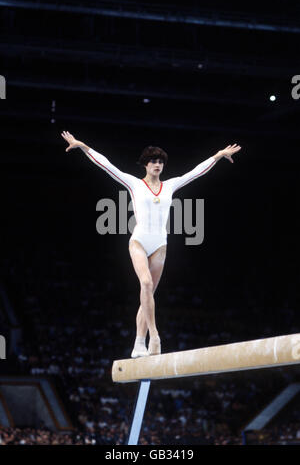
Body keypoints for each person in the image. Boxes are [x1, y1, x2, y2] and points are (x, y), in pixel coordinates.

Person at [61, 131, 242, 358]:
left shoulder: (170, 186)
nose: (157, 165)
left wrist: (218, 155)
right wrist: (83, 146)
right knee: (145, 284)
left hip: (160, 245)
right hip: (138, 241)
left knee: (148, 295)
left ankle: (138, 343)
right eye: (153, 161)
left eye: (160, 162)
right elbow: (107, 165)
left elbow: (196, 172)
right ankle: (154, 335)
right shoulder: (134, 184)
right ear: (145, 165)